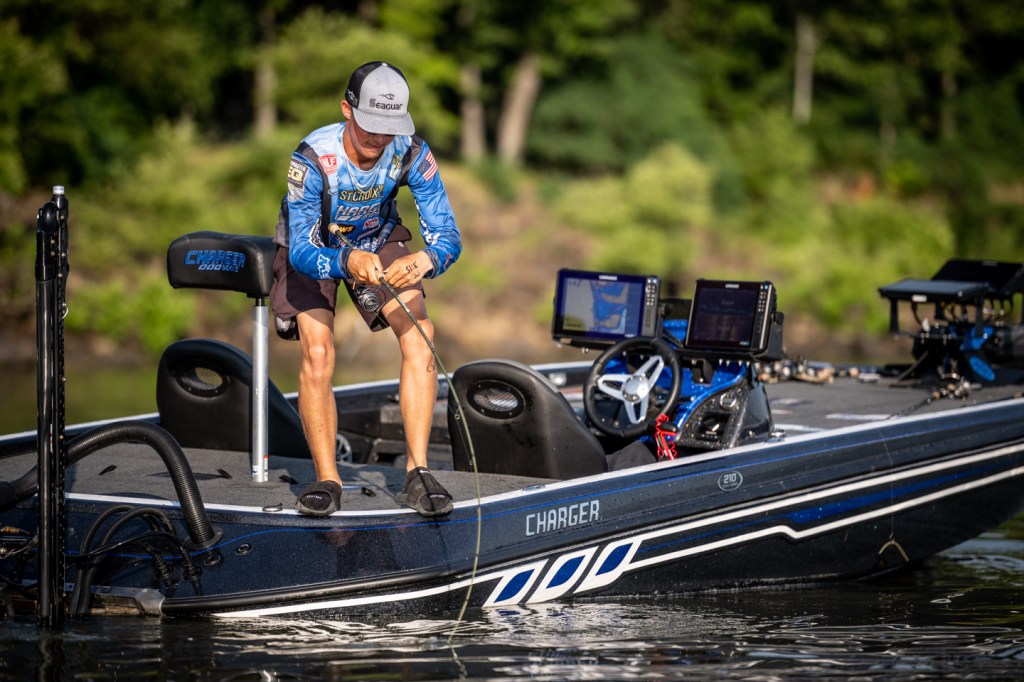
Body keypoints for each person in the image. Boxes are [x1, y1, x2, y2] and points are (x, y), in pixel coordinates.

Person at [270, 61, 461, 517]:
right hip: (314, 247)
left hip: (378, 237)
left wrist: (426, 260)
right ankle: (327, 479)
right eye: (371, 125)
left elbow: (448, 236)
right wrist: (345, 261)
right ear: (347, 110)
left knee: (421, 335)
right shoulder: (312, 157)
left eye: (389, 128)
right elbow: (301, 250)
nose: (379, 138)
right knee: (319, 351)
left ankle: (417, 473)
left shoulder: (412, 152)